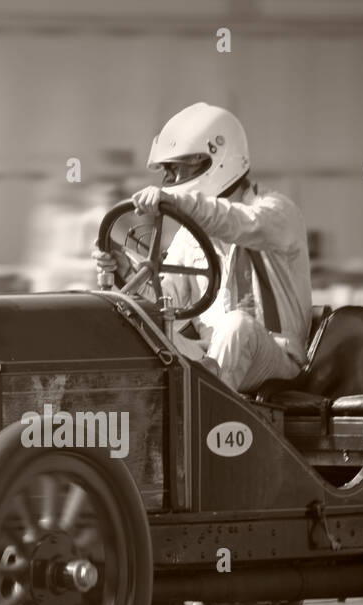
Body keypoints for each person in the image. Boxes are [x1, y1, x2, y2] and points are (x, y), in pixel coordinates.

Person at [96, 103, 312, 392]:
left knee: (238, 326)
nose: (171, 181)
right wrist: (127, 270)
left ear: (215, 159)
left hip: (275, 357)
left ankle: (202, 426)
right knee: (145, 330)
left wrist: (181, 203)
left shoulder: (276, 213)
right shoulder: (190, 232)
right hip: (211, 353)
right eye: (168, 172)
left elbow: (236, 223)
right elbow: (166, 299)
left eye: (177, 169)